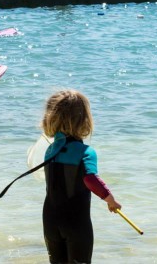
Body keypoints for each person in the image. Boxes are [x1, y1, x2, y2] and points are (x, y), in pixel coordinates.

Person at [36, 90, 122, 263]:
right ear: (84, 119)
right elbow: (90, 179)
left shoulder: (50, 150)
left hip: (50, 219)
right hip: (75, 221)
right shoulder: (86, 152)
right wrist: (111, 200)